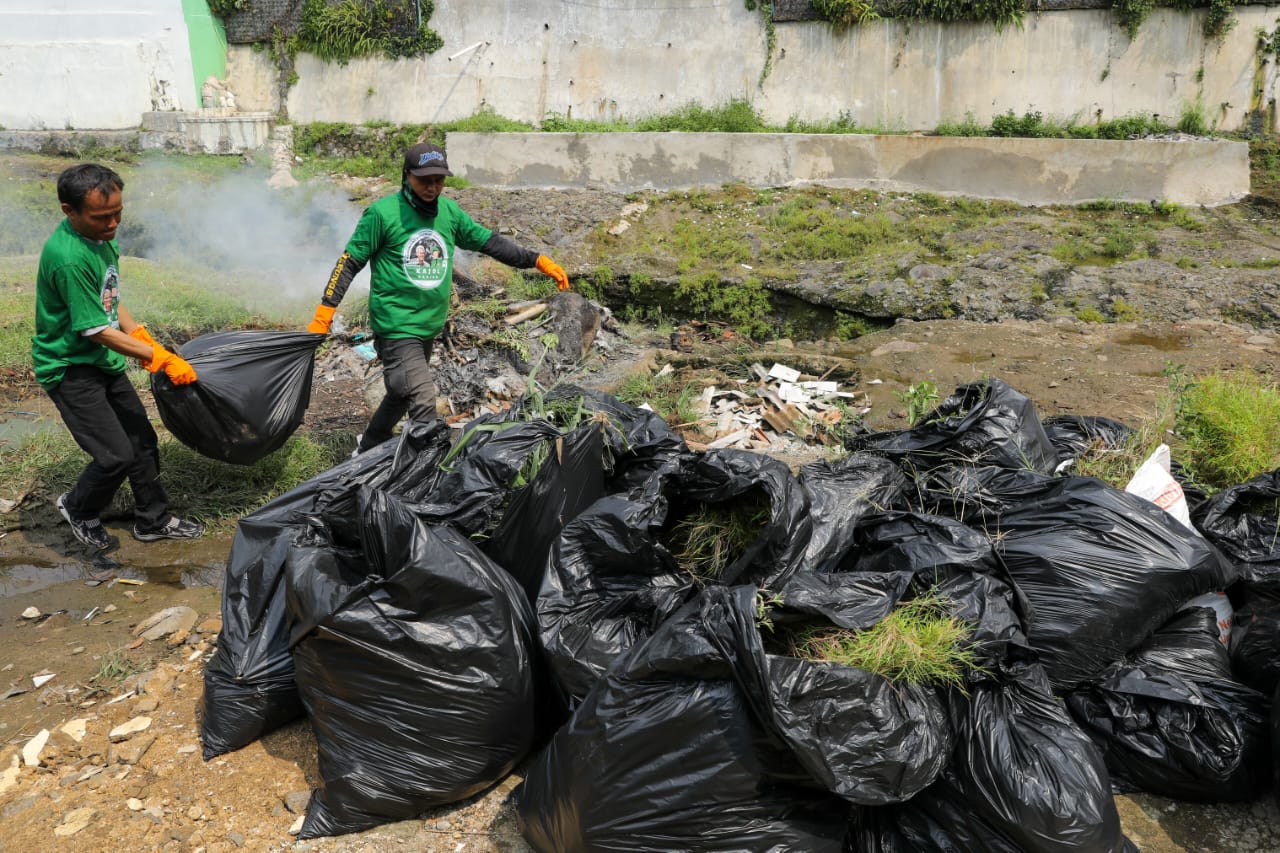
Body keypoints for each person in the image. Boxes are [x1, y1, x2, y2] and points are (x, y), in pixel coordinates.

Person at [307, 141, 572, 453]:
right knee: (422, 405)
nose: (432, 188)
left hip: (428, 326)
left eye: (439, 180)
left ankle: (368, 447)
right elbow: (349, 262)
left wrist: (536, 259)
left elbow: (489, 243)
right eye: (424, 180)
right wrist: (325, 311)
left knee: (399, 393)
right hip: (396, 325)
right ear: (406, 176)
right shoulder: (382, 214)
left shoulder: (449, 213)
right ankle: (426, 479)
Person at [32, 163, 205, 551]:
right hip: (70, 367)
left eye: (117, 213)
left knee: (141, 442)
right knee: (113, 456)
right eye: (101, 217)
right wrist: (157, 356)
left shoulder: (100, 238)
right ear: (69, 211)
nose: (112, 224)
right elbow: (94, 330)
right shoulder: (69, 257)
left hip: (100, 361)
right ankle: (79, 508)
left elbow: (109, 298)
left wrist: (137, 332)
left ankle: (153, 521)